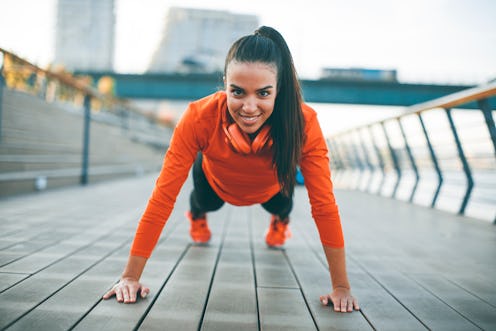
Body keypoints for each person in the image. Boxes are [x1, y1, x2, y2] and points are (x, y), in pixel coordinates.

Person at [103, 26, 359, 313]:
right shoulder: (199, 117)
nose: (249, 107)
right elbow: (163, 197)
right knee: (204, 202)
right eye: (237, 92)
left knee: (283, 202)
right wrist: (129, 277)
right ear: (225, 83)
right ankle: (197, 215)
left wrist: (341, 287)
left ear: (279, 89)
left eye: (263, 93)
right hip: (215, 183)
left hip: (272, 188)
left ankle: (280, 222)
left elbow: (324, 205)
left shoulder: (304, 123)